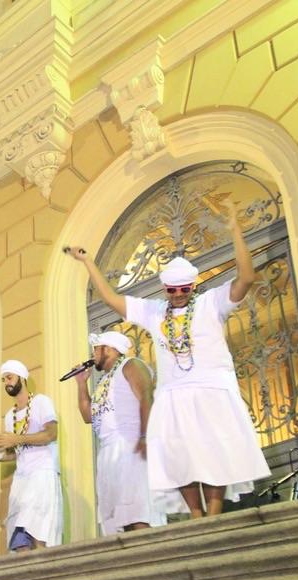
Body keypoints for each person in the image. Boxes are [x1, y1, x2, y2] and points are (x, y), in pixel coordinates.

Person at [65, 201, 271, 518]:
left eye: (185, 288)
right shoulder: (153, 312)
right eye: (173, 289)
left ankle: (213, 515)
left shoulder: (210, 303)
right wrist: (88, 262)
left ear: (194, 285)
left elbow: (245, 277)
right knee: (180, 457)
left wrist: (235, 230)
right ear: (165, 288)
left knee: (212, 454)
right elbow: (110, 299)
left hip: (211, 389)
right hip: (173, 393)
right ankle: (196, 516)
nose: (178, 294)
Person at [73, 331, 174, 533]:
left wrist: (145, 437)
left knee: (139, 514)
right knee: (117, 522)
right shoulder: (103, 382)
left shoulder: (131, 365)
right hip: (108, 454)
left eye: (95, 349)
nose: (93, 355)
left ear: (108, 348)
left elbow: (146, 397)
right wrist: (81, 383)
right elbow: (88, 416)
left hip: (131, 446)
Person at [0, 360, 63, 551]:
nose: (7, 383)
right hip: (21, 480)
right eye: (4, 379)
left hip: (42, 473)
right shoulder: (9, 416)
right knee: (19, 539)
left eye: (10, 377)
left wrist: (17, 439)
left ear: (22, 378)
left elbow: (50, 434)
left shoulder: (41, 402)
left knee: (39, 532)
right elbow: (15, 452)